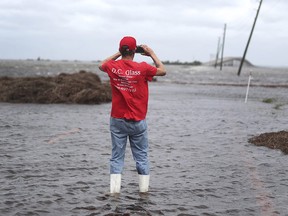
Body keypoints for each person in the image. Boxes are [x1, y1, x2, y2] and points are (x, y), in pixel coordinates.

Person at [98, 36, 166, 194]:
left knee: (116, 157)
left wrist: (119, 53)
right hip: (138, 120)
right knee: (141, 157)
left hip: (117, 119)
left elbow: (101, 65)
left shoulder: (113, 66)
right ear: (135, 51)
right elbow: (163, 70)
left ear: (121, 50)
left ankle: (114, 194)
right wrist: (151, 53)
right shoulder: (142, 68)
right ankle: (144, 192)